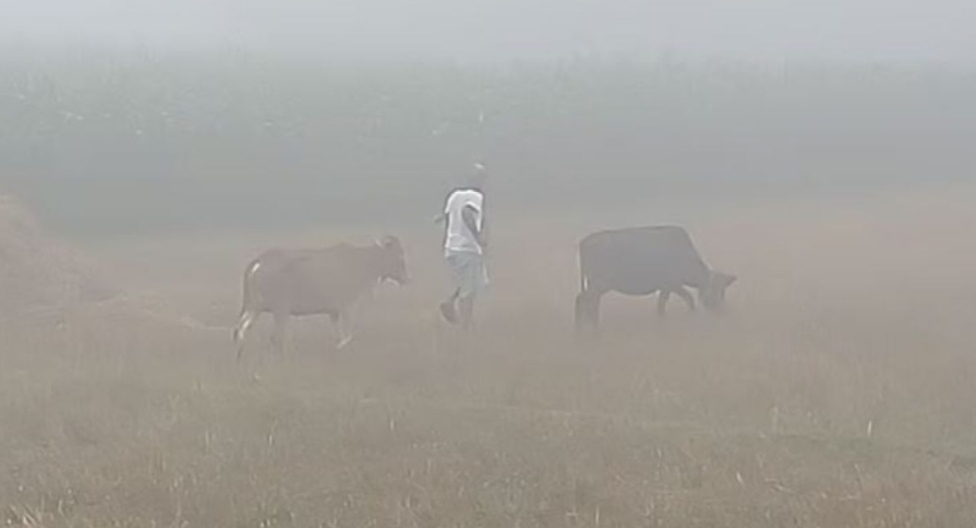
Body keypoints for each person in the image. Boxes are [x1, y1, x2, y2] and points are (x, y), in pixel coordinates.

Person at [434, 163, 489, 328]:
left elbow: (444, 217)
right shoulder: (475, 197)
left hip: (452, 248)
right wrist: (478, 237)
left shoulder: (455, 195)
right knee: (469, 290)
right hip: (467, 248)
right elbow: (466, 213)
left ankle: (450, 302)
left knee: (468, 282)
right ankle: (467, 324)